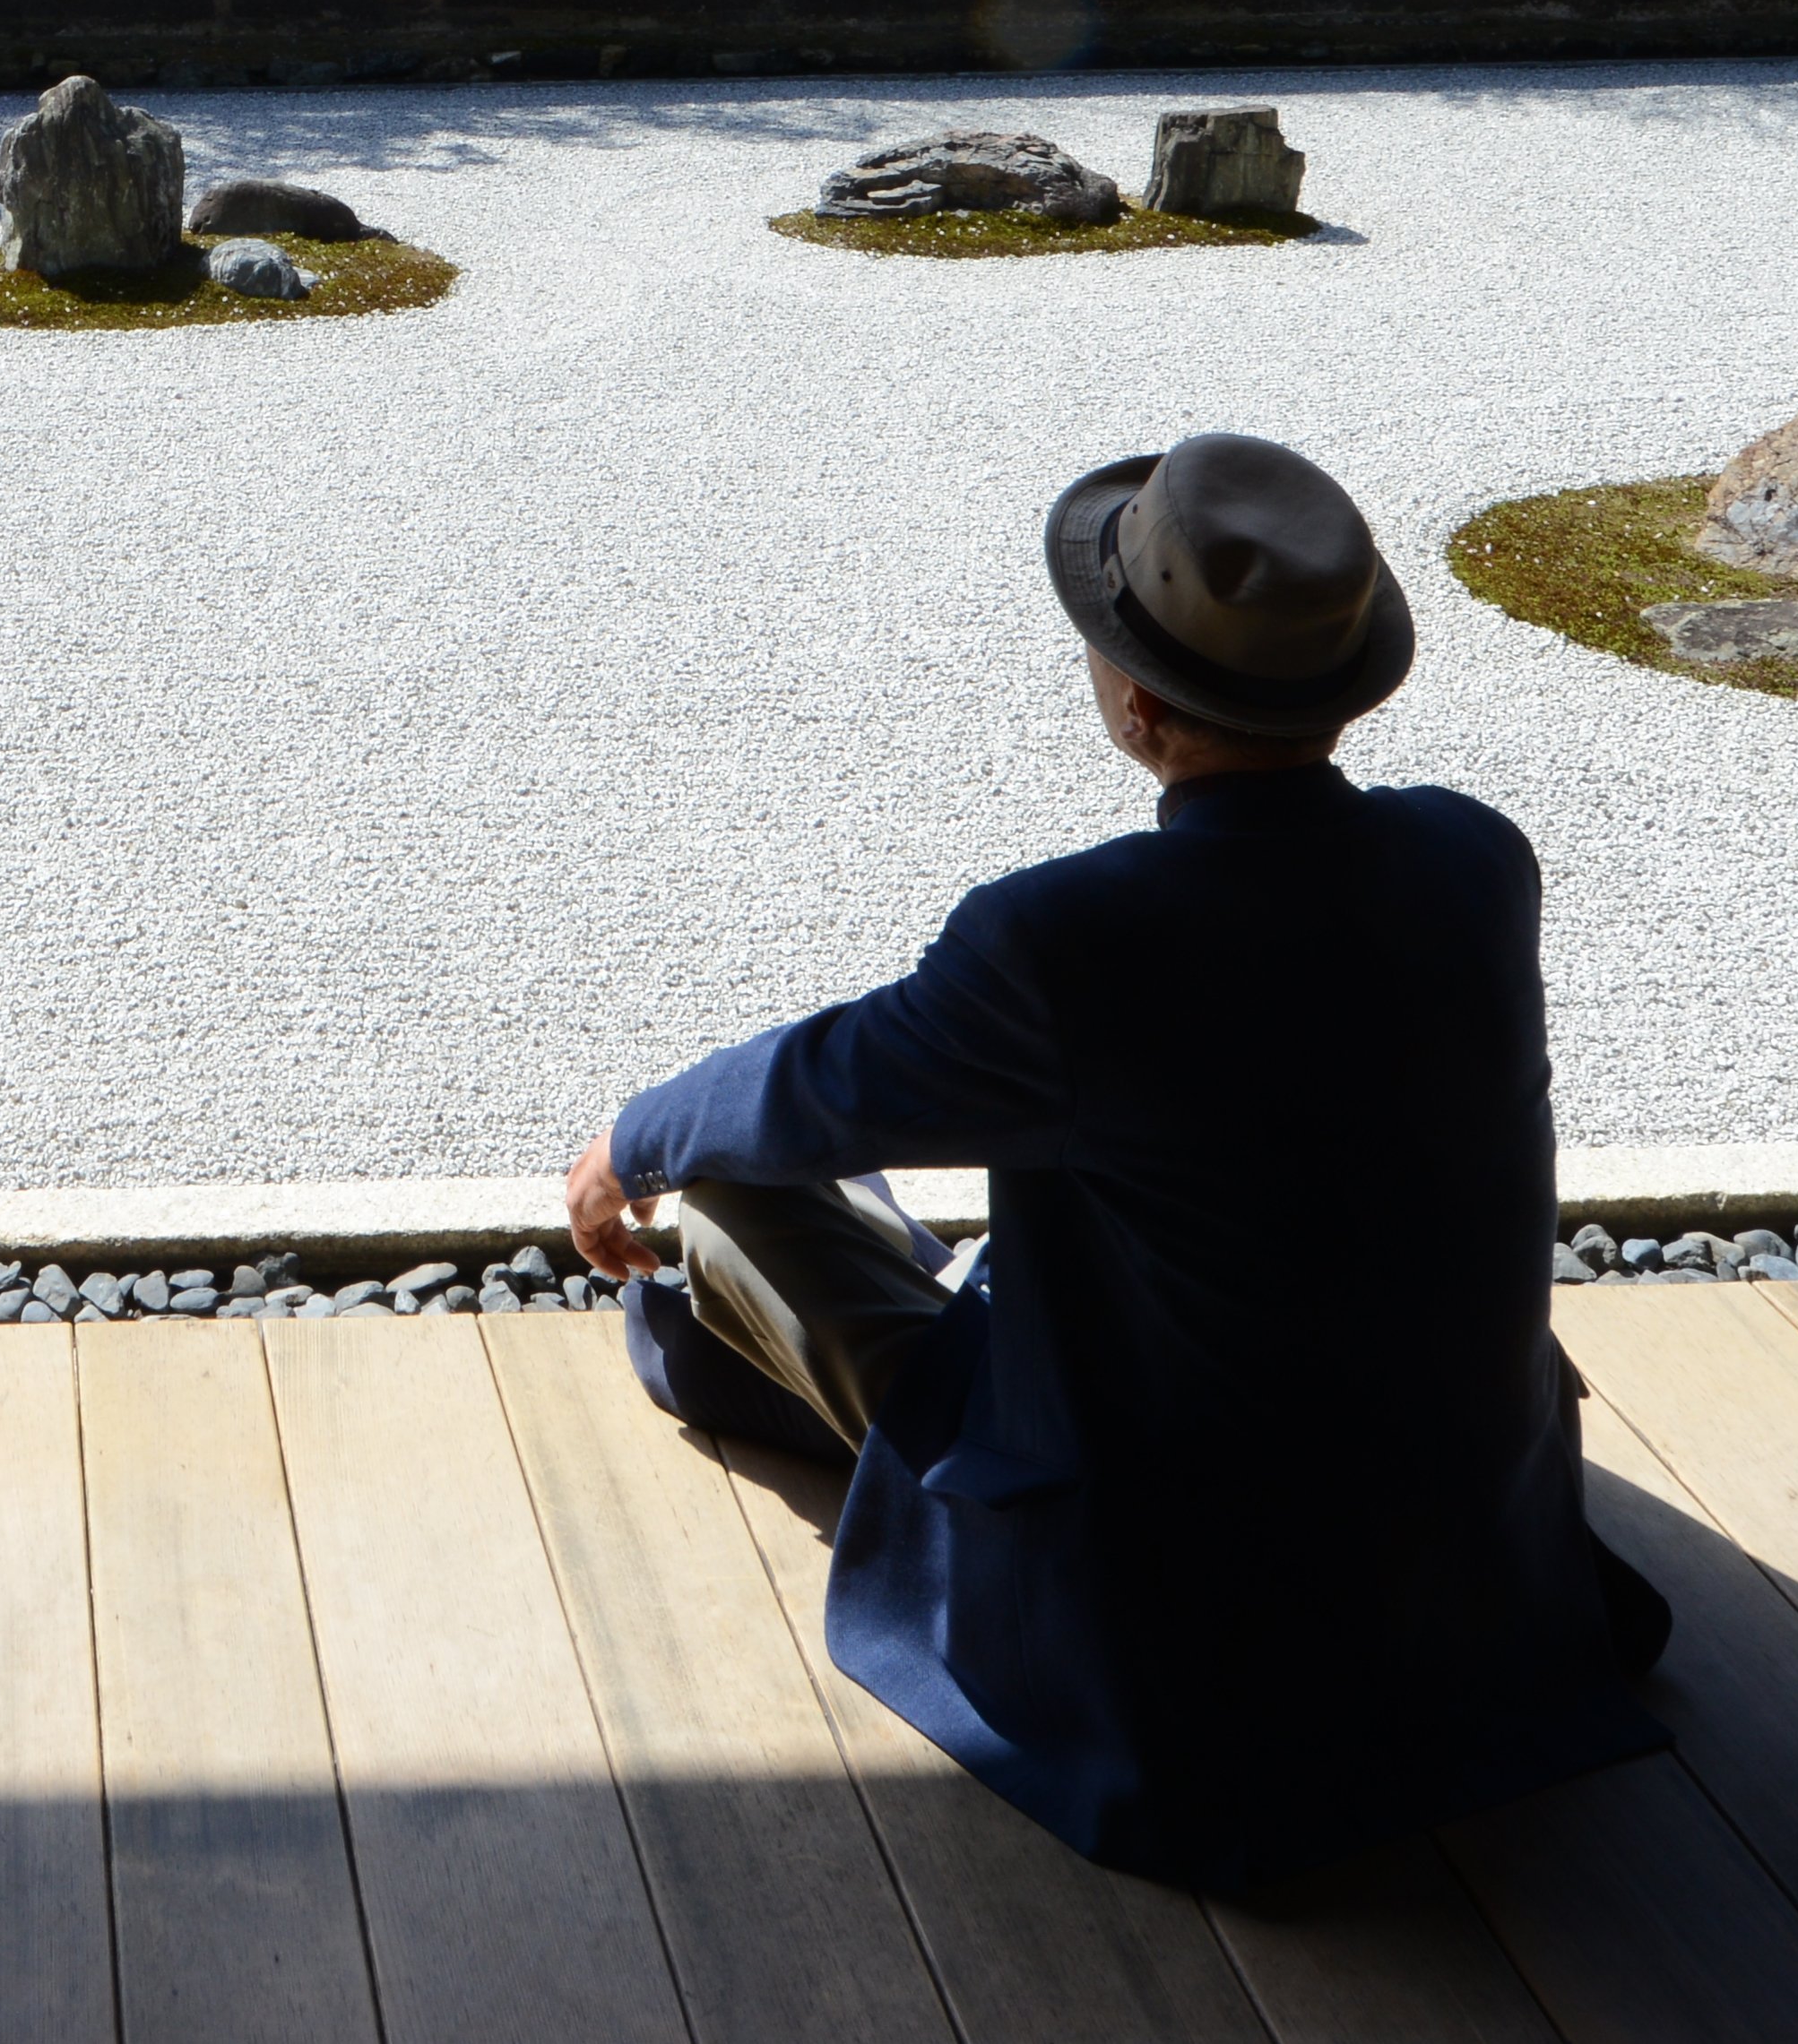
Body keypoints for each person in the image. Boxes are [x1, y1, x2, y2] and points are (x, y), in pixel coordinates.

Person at [562, 428, 1671, 1893]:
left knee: (723, 1200)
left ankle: (745, 1325)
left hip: (1179, 1609)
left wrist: (625, 1140)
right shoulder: (1475, 857)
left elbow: (808, 1088)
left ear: (1136, 701)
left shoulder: (1061, 941)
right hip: (1465, 1554)